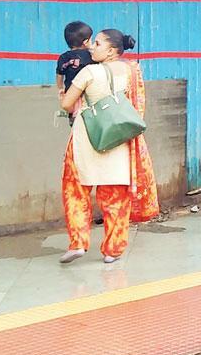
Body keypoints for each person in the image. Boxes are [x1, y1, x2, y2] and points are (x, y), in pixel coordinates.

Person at [58, 29, 159, 263]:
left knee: (75, 189)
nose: (91, 47)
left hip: (86, 139)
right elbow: (137, 106)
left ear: (111, 51)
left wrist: (62, 92)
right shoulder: (133, 72)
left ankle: (78, 243)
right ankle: (112, 250)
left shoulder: (89, 72)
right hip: (119, 140)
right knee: (115, 197)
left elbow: (66, 104)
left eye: (98, 43)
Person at [56, 21, 95, 103]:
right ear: (85, 42)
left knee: (73, 112)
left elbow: (60, 75)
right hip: (89, 93)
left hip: (71, 94)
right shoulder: (92, 56)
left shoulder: (63, 57)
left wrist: (60, 88)